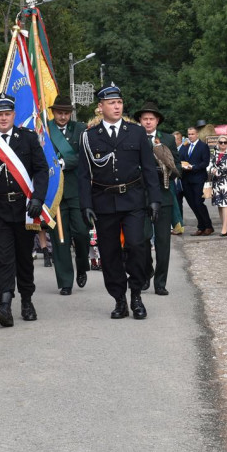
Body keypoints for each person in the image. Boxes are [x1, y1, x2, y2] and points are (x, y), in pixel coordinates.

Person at [78, 82, 162, 320]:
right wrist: (86, 205)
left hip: (133, 199)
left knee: (137, 246)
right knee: (110, 252)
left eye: (119, 102)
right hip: (103, 201)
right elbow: (83, 175)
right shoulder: (89, 136)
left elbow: (148, 169)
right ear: (100, 107)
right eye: (111, 103)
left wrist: (154, 199)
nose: (117, 107)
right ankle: (119, 299)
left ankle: (136, 294)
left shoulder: (135, 132)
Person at [0, 93, 49, 327]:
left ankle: (26, 300)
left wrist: (38, 197)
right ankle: (4, 304)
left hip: (24, 209)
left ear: (14, 115)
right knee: (5, 258)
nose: (4, 118)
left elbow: (41, 170)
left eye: (7, 114)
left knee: (24, 259)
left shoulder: (26, 138)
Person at [134, 101, 180, 295]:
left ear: (157, 121)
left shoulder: (167, 139)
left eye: (151, 119)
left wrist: (168, 172)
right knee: (141, 240)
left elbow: (177, 165)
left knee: (162, 242)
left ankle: (160, 283)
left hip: (163, 195)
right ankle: (146, 271)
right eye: (144, 119)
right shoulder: (133, 137)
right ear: (140, 121)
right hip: (140, 196)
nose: (148, 122)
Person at [48, 95, 91, 296]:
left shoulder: (80, 129)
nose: (63, 116)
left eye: (66, 113)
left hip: (76, 190)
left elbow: (84, 156)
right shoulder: (45, 130)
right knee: (59, 239)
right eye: (59, 112)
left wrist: (64, 163)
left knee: (82, 233)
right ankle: (65, 281)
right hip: (54, 192)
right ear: (53, 112)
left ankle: (82, 266)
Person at [179, 124, 214, 235]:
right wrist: (182, 166)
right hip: (186, 179)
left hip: (198, 178)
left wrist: (193, 167)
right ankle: (201, 227)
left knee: (199, 203)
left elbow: (205, 162)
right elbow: (180, 159)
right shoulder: (185, 146)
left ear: (197, 134)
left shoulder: (203, 146)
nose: (190, 136)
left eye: (192, 134)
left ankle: (208, 226)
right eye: (189, 134)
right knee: (192, 204)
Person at [209, 135, 227, 235]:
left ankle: (225, 228)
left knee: (225, 204)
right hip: (216, 182)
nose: (223, 144)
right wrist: (213, 170)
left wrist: (218, 171)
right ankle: (224, 226)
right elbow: (210, 165)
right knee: (219, 205)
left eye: (225, 142)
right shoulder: (214, 152)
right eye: (221, 142)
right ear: (218, 143)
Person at [171, 130, 186, 234]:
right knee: (176, 202)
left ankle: (179, 224)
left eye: (175, 139)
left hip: (183, 179)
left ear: (180, 139)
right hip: (173, 180)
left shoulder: (185, 148)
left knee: (177, 202)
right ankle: (177, 225)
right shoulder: (169, 149)